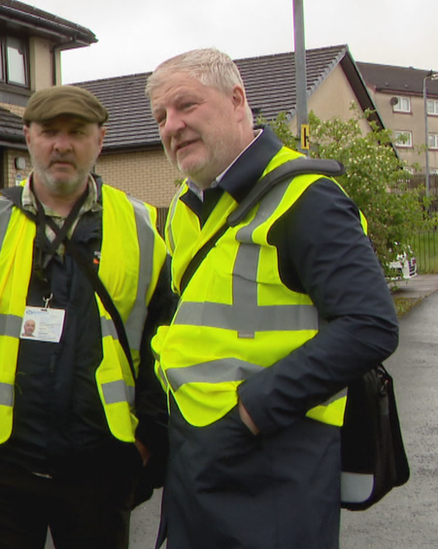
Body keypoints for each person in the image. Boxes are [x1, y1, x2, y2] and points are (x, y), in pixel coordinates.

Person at [146, 48, 400, 549]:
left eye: (186, 106)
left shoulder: (308, 196)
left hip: (277, 458)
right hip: (198, 455)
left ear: (237, 100)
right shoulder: (184, 204)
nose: (172, 125)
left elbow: (370, 325)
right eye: (161, 117)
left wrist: (251, 412)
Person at [0, 85, 175, 549]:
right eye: (49, 131)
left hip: (101, 468)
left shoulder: (139, 225)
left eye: (77, 132)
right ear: (27, 137)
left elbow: (166, 339)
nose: (62, 145)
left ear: (101, 139)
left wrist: (146, 440)